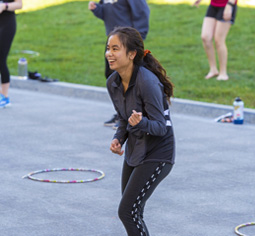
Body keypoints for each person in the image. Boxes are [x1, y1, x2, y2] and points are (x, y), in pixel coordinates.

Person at [106, 27, 175, 236]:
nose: (109, 53)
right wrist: (118, 138)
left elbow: (160, 127)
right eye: (108, 48)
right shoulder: (113, 83)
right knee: (132, 212)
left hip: (158, 154)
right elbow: (123, 118)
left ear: (132, 54)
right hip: (135, 151)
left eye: (115, 49)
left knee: (127, 211)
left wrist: (141, 122)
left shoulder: (147, 81)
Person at [88, 0, 150, 128]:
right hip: (112, 40)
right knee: (113, 77)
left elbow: (142, 12)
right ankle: (122, 114)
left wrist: (137, 40)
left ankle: (134, 115)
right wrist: (96, 9)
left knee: (128, 79)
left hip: (127, 42)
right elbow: (107, 12)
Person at [193, 0, 238, 81]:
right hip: (214, 4)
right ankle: (213, 70)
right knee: (205, 37)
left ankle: (223, 73)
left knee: (219, 40)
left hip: (227, 5)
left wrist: (229, 5)